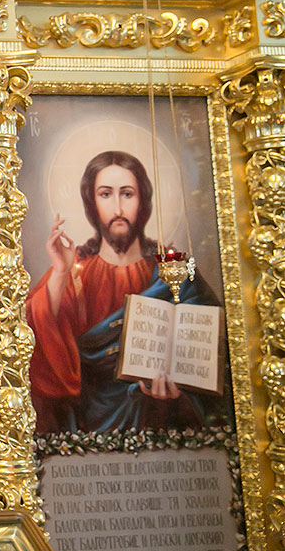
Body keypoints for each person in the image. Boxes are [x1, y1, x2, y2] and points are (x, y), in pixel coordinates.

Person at [26, 150, 221, 434]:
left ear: (143, 201)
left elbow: (213, 353)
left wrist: (180, 395)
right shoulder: (76, 272)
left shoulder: (173, 271)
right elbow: (35, 339)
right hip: (91, 425)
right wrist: (60, 271)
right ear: (92, 203)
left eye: (127, 194)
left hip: (165, 427)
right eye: (106, 194)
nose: (118, 208)